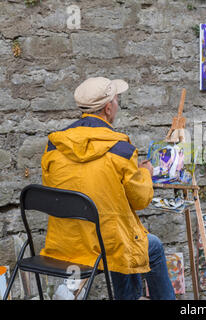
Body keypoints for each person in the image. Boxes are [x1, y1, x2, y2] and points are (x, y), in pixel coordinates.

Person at [40, 77, 175, 300]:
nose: (118, 105)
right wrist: (145, 174)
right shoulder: (120, 148)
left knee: (121, 234)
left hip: (65, 242)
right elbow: (140, 200)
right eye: (117, 99)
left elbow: (53, 189)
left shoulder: (54, 145)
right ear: (108, 107)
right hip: (105, 245)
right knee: (149, 245)